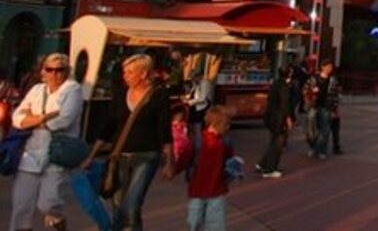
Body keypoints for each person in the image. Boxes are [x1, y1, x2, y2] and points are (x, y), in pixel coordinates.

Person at [84, 52, 174, 231]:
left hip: (146, 155)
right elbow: (109, 126)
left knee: (131, 206)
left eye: (130, 72)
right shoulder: (121, 93)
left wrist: (169, 161)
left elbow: (164, 130)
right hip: (119, 156)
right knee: (118, 205)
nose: (125, 76)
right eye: (125, 72)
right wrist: (91, 155)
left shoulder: (159, 95)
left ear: (143, 73)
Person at [9, 52, 83, 231]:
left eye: (60, 70)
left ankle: (59, 223)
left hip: (56, 154)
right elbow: (17, 118)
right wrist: (43, 118)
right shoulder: (36, 90)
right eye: (50, 69)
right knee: (21, 206)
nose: (55, 74)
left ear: (67, 71)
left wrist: (32, 120)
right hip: (31, 154)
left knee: (49, 203)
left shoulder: (73, 89)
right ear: (43, 71)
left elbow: (63, 121)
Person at [186, 105, 233, 231]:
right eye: (226, 125)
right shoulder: (199, 140)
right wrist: (172, 168)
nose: (228, 128)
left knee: (215, 223)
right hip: (199, 188)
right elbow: (186, 156)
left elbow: (231, 160)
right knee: (194, 221)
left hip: (216, 188)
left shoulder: (225, 142)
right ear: (217, 123)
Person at [257, 64, 298, 178]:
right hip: (279, 118)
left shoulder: (276, 83)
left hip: (271, 117)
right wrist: (288, 118)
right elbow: (285, 104)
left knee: (274, 141)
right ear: (289, 74)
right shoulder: (284, 87)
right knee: (278, 143)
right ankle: (269, 169)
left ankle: (263, 164)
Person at [305, 60, 339, 159]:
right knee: (311, 127)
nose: (330, 69)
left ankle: (321, 150)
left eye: (331, 67)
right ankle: (313, 146)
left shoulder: (333, 80)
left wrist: (335, 108)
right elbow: (305, 90)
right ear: (323, 67)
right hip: (314, 105)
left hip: (326, 106)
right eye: (328, 67)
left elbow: (336, 94)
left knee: (325, 129)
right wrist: (311, 92)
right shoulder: (313, 79)